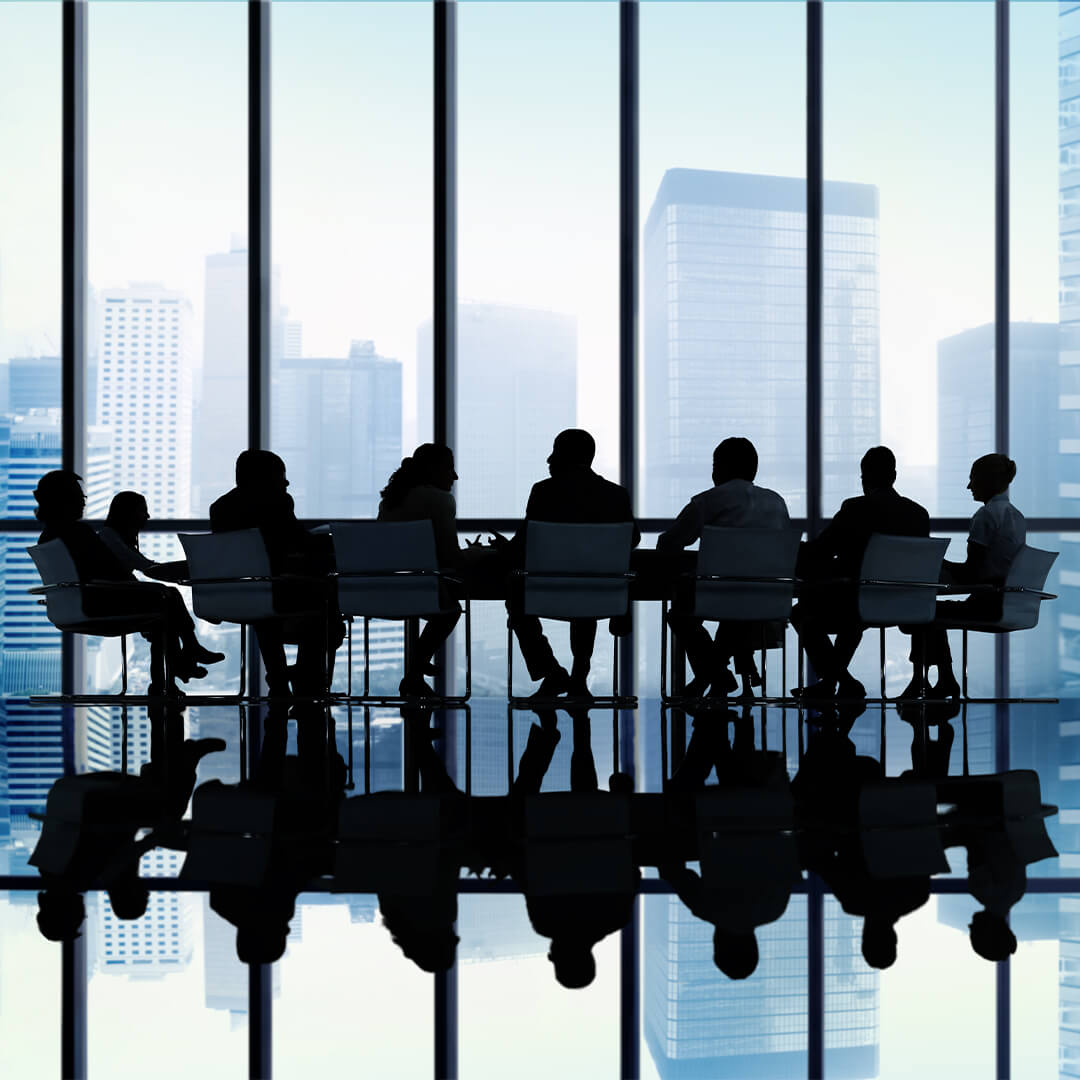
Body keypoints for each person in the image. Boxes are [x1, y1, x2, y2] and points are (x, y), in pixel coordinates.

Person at [34, 470, 211, 695]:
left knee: (164, 605)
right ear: (64, 501)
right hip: (99, 604)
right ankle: (179, 666)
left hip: (77, 606)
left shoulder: (49, 536)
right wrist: (141, 586)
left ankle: (176, 671)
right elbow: (110, 570)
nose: (82, 502)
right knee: (167, 602)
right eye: (79, 497)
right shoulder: (78, 532)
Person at [508, 430, 640, 698]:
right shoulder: (616, 495)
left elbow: (524, 543)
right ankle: (580, 675)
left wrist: (502, 548)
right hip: (601, 594)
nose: (549, 459)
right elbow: (632, 538)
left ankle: (551, 671)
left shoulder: (544, 491)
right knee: (586, 589)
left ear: (562, 456)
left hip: (547, 591)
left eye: (554, 452)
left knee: (515, 600)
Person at [792, 446, 929, 700]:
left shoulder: (855, 509)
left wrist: (791, 548)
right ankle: (836, 682)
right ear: (894, 476)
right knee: (852, 617)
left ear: (864, 477)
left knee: (802, 612)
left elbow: (822, 549)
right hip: (906, 605)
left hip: (857, 602)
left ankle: (840, 681)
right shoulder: (918, 514)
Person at [657, 437, 791, 698]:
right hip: (770, 601)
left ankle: (715, 675)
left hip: (722, 597)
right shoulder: (777, 502)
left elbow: (669, 542)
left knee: (681, 614)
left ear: (721, 467)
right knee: (737, 607)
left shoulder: (708, 501)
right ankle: (717, 675)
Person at [210, 450, 344, 697]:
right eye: (281, 475)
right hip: (280, 592)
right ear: (264, 478)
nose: (286, 482)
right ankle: (306, 677)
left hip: (236, 594)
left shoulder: (219, 508)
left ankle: (281, 678)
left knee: (265, 604)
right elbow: (295, 541)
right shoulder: (277, 501)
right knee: (325, 604)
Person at [905, 454, 1025, 699]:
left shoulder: (985, 516)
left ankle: (925, 681)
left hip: (987, 604)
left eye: (973, 479)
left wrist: (938, 563)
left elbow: (972, 572)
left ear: (988, 481)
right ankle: (942, 680)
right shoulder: (1016, 516)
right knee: (929, 613)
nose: (969, 486)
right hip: (1009, 603)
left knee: (923, 612)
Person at [378, 444, 466, 697]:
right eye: (450, 468)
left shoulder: (391, 499)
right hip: (420, 588)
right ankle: (414, 668)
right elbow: (451, 556)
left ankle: (414, 672)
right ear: (434, 469)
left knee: (443, 601)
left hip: (380, 589)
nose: (455, 476)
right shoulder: (440, 500)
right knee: (450, 610)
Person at [99, 490, 225, 662]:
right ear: (128, 513)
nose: (148, 516)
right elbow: (148, 568)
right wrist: (194, 570)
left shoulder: (112, 536)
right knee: (170, 598)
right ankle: (188, 653)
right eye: (143, 511)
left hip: (116, 596)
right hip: (115, 600)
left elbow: (147, 567)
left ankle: (181, 664)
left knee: (168, 611)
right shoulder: (111, 538)